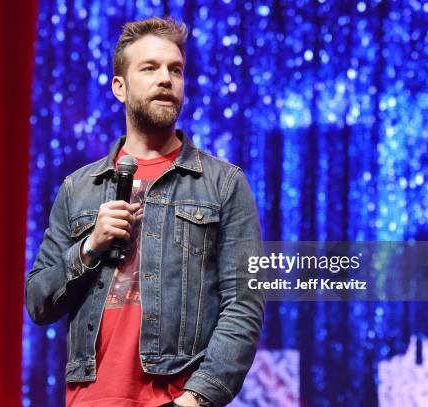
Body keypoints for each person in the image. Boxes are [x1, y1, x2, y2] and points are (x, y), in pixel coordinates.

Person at [25, 17, 264, 407]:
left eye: (176, 70)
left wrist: (196, 399)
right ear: (120, 87)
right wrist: (90, 247)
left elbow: (243, 305)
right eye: (150, 68)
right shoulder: (79, 187)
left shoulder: (223, 184)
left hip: (173, 398)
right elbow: (38, 302)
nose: (166, 79)